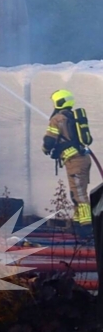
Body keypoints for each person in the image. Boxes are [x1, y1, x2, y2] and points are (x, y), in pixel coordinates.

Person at [42, 89, 93, 238]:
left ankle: (86, 227)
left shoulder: (57, 119)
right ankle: (78, 224)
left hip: (75, 161)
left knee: (79, 195)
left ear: (59, 102)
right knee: (75, 193)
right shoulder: (72, 117)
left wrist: (45, 148)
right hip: (82, 160)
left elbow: (49, 140)